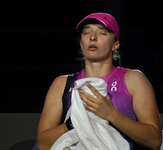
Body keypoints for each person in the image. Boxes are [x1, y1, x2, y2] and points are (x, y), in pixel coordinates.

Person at [34, 13, 162, 150]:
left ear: (115, 45)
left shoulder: (134, 80)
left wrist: (110, 114)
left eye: (102, 33)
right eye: (86, 32)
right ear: (81, 44)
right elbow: (42, 144)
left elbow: (154, 140)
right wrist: (77, 121)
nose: (92, 37)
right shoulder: (61, 83)